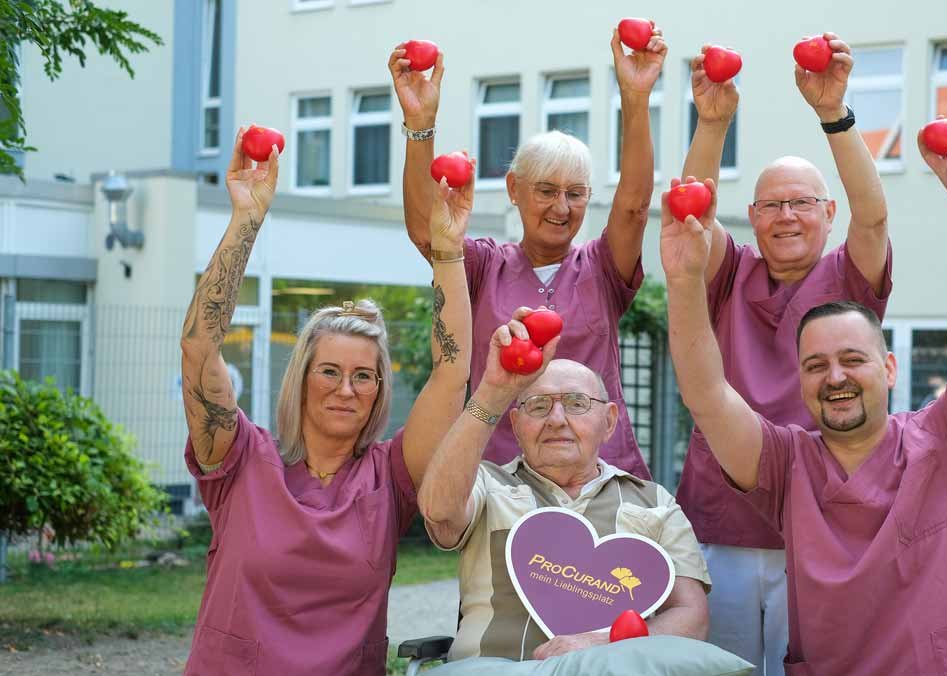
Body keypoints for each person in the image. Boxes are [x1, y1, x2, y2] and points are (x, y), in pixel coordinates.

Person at [660, 114, 947, 675]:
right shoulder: (791, 467)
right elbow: (706, 392)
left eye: (853, 360)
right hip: (730, 523)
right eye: (815, 365)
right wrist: (683, 280)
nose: (834, 377)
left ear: (890, 367)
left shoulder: (944, 442)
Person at [179, 128, 476, 675]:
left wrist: (447, 250)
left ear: (380, 389)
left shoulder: (391, 477)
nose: (346, 389)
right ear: (302, 378)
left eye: (364, 376)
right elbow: (200, 348)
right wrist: (246, 218)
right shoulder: (239, 459)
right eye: (330, 372)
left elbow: (452, 370)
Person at [673, 36, 892, 674]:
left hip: (820, 521)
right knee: (717, 668)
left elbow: (874, 220)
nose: (786, 216)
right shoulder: (730, 273)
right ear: (752, 215)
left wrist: (834, 113)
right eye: (771, 205)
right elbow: (691, 212)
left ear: (829, 213)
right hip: (722, 522)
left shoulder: (848, 280)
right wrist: (712, 122)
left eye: (802, 203)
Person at [388, 25, 669, 479]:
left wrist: (635, 97)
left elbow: (634, 208)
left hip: (599, 477)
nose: (562, 208)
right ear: (514, 189)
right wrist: (420, 124)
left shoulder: (601, 267)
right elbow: (427, 232)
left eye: (575, 194)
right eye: (546, 191)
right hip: (502, 480)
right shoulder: (484, 266)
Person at [418, 326, 711, 662]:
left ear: (609, 421)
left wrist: (603, 643)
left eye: (576, 403)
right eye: (538, 406)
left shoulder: (655, 503)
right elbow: (438, 510)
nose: (556, 419)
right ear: (516, 425)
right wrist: (491, 393)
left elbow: (692, 617)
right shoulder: (484, 484)